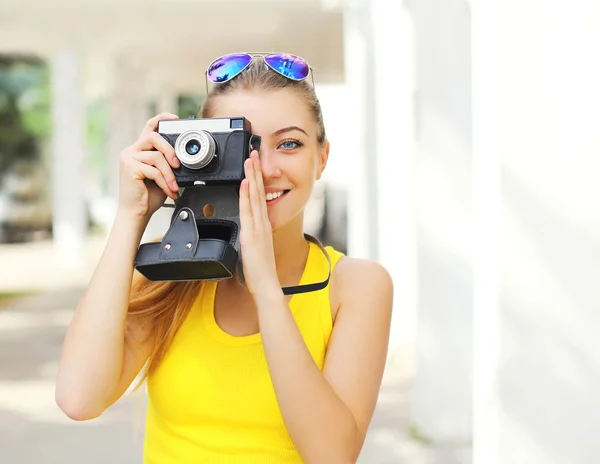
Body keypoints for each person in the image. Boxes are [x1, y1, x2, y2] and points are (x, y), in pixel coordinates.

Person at [56, 52, 394, 463]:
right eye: (242, 147)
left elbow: (332, 456)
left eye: (289, 143)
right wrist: (133, 214)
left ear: (321, 158)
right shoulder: (173, 273)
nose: (263, 169)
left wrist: (266, 287)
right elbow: (79, 398)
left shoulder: (355, 287)